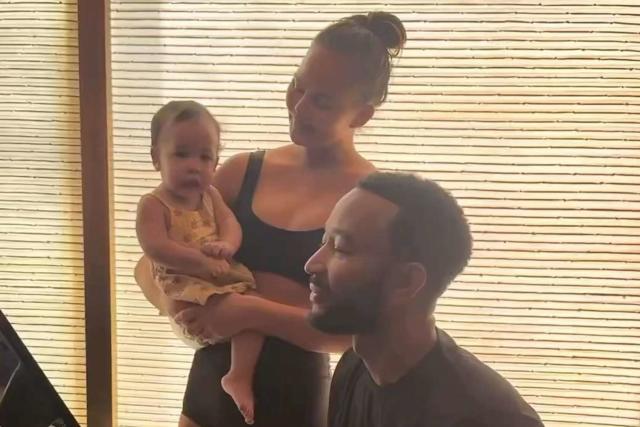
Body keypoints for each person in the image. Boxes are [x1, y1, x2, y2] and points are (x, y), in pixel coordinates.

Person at [137, 11, 407, 427]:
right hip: (209, 383)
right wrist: (179, 306)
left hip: (295, 398)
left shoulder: (372, 200)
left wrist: (249, 312)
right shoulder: (241, 170)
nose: (299, 106)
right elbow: (148, 264)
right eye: (297, 85)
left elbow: (359, 335)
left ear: (361, 115)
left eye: (322, 100)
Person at [304, 172, 545, 427]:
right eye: (323, 242)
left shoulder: (488, 417)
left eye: (341, 248)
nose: (312, 264)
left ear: (406, 281)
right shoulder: (354, 367)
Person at [135, 100, 265, 424]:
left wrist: (227, 244)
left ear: (216, 162)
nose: (194, 165)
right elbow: (156, 247)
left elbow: (230, 223)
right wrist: (200, 262)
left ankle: (238, 374)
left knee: (255, 310)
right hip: (184, 280)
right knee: (241, 311)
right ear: (156, 158)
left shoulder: (212, 195)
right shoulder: (154, 204)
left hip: (218, 275)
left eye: (204, 157)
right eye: (181, 154)